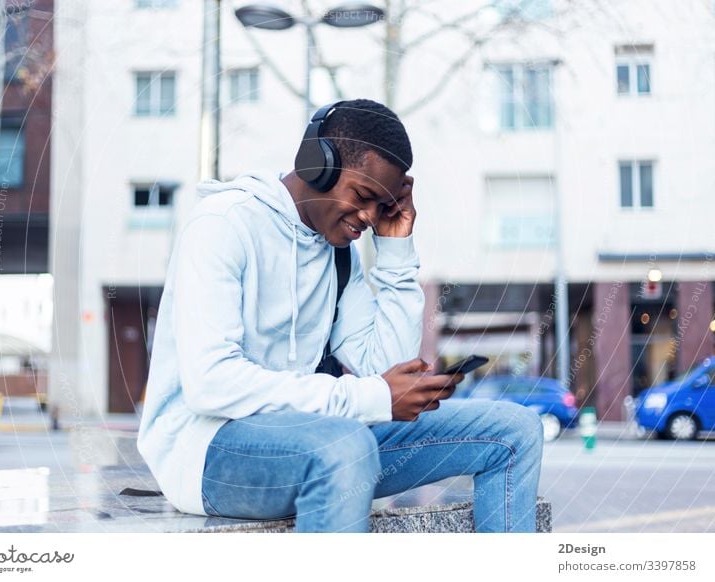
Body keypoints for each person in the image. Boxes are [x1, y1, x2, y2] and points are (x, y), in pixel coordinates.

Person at [137, 99, 544, 533]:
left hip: (323, 442)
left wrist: (395, 250)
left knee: (514, 430)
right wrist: (368, 397)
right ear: (318, 164)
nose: (369, 217)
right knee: (344, 446)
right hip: (207, 453)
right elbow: (210, 383)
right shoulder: (223, 225)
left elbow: (383, 367)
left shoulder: (338, 256)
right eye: (363, 197)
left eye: (382, 204)